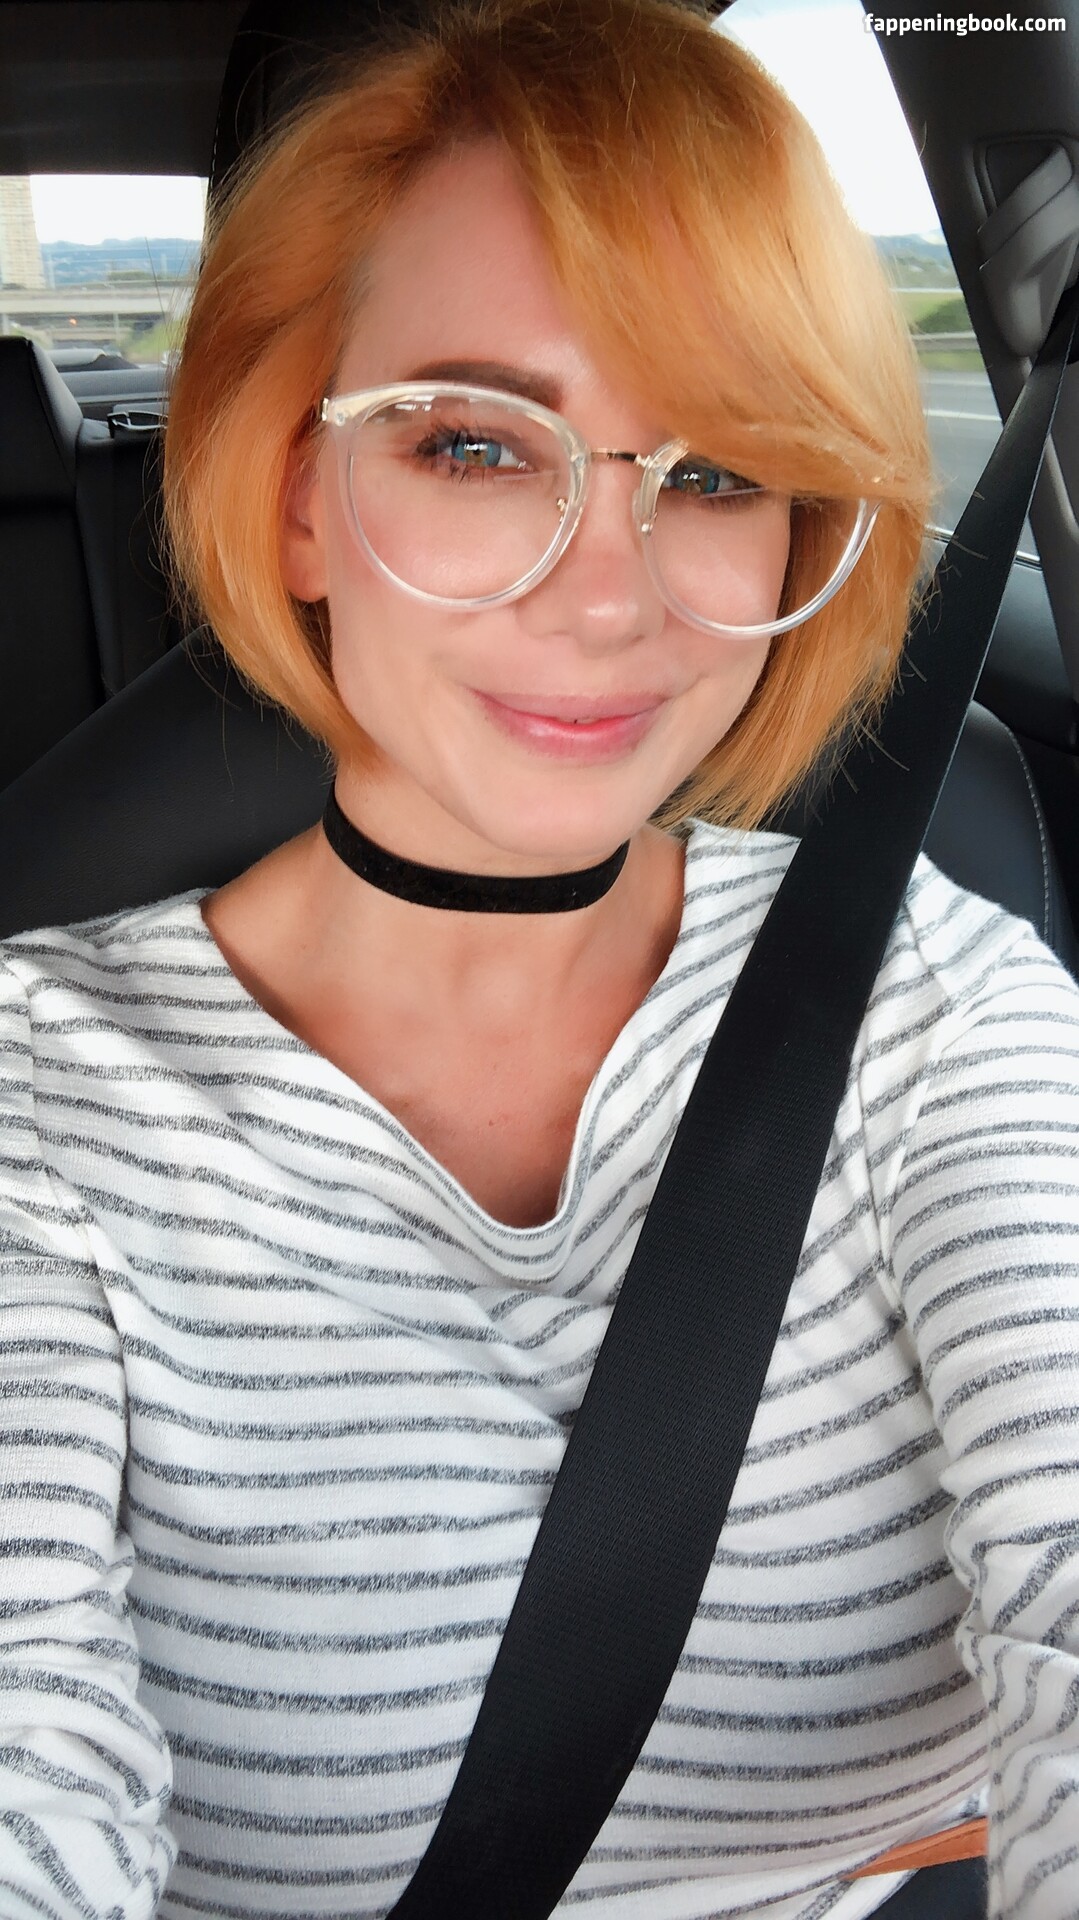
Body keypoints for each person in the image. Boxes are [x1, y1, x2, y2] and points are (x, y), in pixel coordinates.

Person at [1, 0, 1078, 1913]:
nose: (608, 595)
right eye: (474, 444)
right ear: (301, 496)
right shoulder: (37, 1106)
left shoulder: (942, 1004)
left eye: (717, 471)